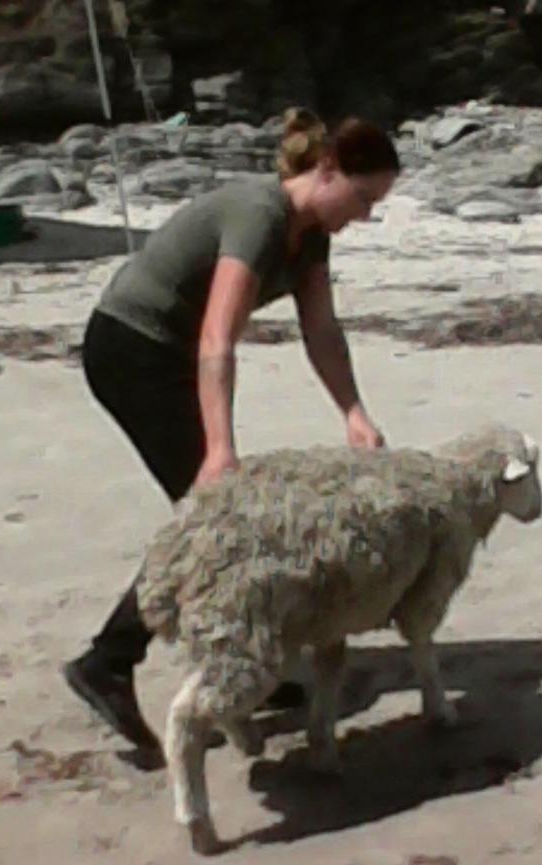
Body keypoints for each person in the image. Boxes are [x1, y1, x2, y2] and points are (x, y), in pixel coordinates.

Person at [63, 106, 401, 756]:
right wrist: (220, 449)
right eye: (362, 199)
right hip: (130, 348)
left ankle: (244, 656)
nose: (363, 216)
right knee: (217, 521)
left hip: (172, 356)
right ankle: (108, 660)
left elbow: (322, 331)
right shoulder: (261, 214)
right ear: (327, 170)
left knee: (223, 522)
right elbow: (218, 338)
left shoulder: (313, 237)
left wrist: (353, 411)